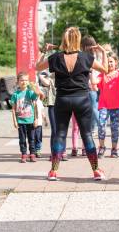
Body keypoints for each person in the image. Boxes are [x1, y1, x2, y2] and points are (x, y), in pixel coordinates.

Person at [36, 27, 108, 181]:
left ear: (64, 39)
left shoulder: (55, 57)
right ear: (78, 40)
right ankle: (96, 170)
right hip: (82, 99)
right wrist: (104, 53)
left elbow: (37, 67)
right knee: (86, 134)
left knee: (60, 134)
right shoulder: (86, 57)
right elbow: (106, 69)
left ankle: (53, 171)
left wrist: (44, 51)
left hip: (62, 99)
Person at [94, 53, 119, 158]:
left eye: (111, 61)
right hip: (104, 105)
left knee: (114, 127)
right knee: (101, 124)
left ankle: (114, 149)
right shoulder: (102, 75)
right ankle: (102, 146)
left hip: (117, 105)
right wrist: (93, 71)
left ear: (116, 63)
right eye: (107, 61)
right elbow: (93, 82)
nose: (109, 64)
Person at [11, 72, 43, 163]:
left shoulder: (30, 92)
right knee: (22, 139)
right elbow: (13, 109)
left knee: (31, 138)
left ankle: (32, 153)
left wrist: (36, 119)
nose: (24, 82)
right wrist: (15, 121)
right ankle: (24, 154)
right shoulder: (15, 95)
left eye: (26, 80)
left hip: (30, 120)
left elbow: (37, 100)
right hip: (21, 121)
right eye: (21, 80)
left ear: (28, 82)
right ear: (18, 82)